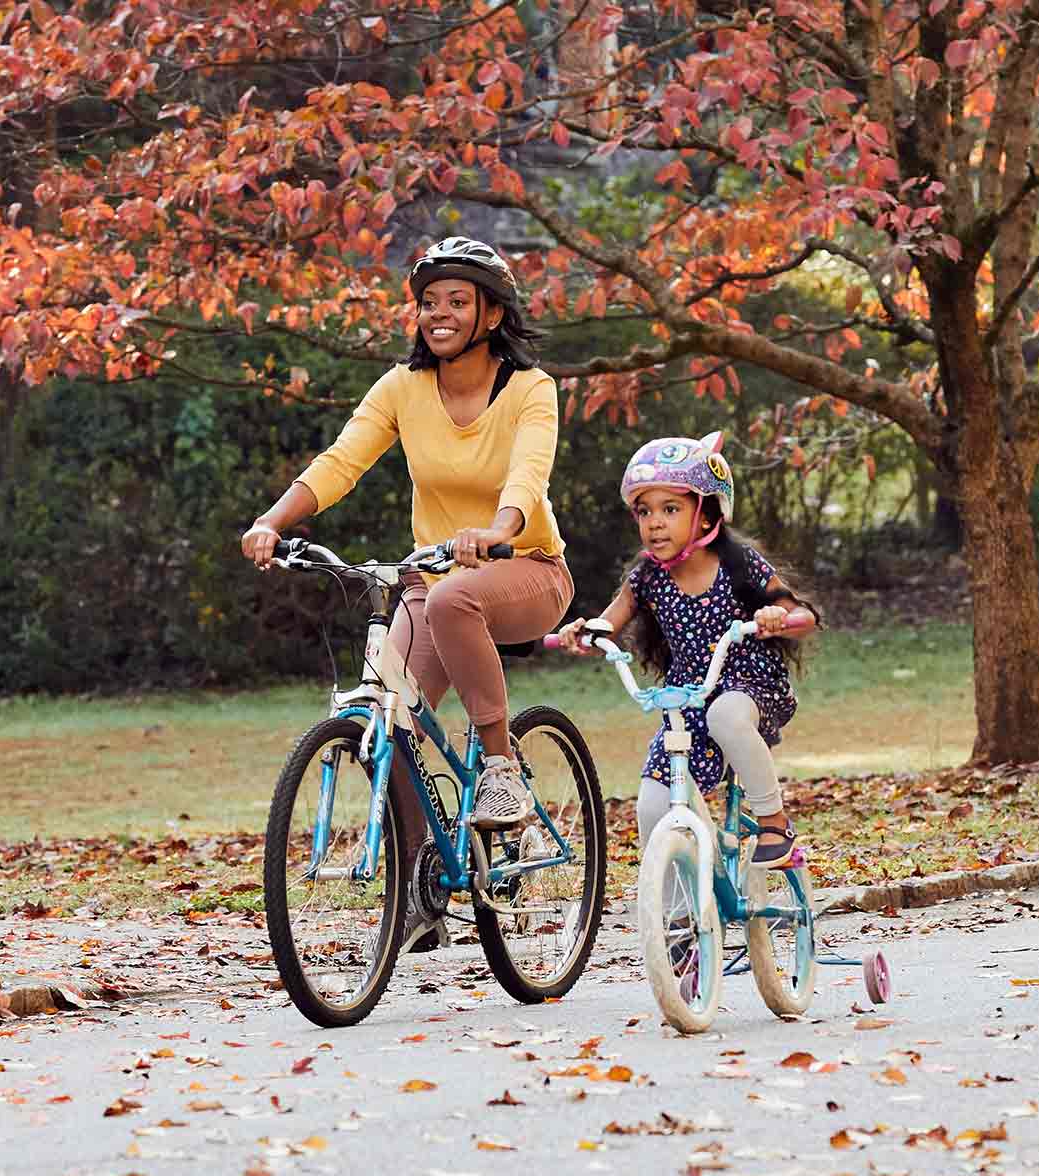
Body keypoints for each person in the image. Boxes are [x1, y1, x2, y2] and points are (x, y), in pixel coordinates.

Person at [241, 236, 574, 951]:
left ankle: (501, 771)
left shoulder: (529, 389)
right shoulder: (402, 388)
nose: (439, 314)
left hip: (528, 570)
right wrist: (272, 521)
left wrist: (498, 529)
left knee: (457, 601)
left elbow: (528, 476)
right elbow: (340, 463)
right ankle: (420, 886)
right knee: (387, 720)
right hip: (432, 577)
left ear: (491, 313)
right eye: (429, 303)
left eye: (458, 301)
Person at [554, 433, 817, 868]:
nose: (654, 523)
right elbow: (609, 620)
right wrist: (588, 632)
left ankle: (774, 823)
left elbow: (800, 614)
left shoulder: (740, 564)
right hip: (688, 702)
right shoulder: (646, 578)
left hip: (750, 689)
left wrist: (775, 615)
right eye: (644, 511)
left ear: (708, 510)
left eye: (670, 509)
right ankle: (676, 928)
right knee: (653, 806)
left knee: (726, 716)